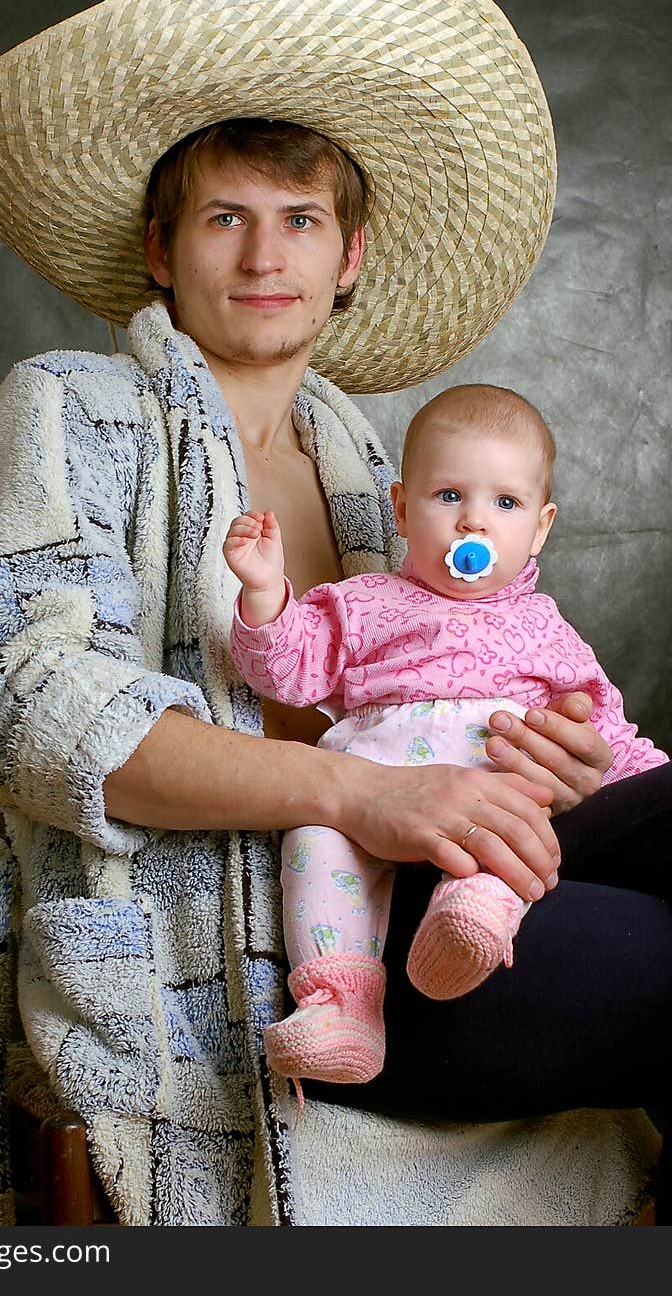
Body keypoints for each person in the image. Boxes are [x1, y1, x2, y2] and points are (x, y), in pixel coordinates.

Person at [0, 0, 671, 1226]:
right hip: (280, 955)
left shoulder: (373, 466)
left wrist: (548, 756)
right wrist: (366, 790)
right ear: (163, 249)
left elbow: (436, 686)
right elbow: (28, 710)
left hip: (448, 879)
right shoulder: (70, 410)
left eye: (302, 219)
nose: (265, 253)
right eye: (226, 217)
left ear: (350, 255)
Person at [224, 383, 667, 1093]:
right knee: (311, 840)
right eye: (449, 496)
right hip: (367, 798)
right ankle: (342, 1006)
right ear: (402, 508)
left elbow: (606, 731)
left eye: (505, 504)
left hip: (489, 806)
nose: (474, 524)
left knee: (510, 821)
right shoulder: (363, 602)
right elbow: (287, 668)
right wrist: (265, 594)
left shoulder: (547, 629)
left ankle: (473, 918)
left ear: (542, 527)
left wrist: (648, 777)